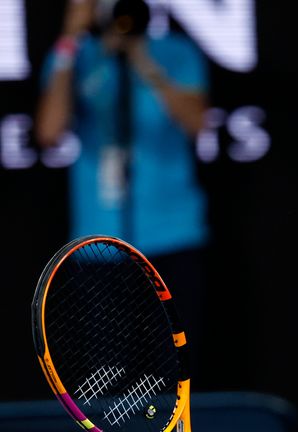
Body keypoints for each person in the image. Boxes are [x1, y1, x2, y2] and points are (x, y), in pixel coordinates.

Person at [35, 0, 210, 386]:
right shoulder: (77, 57)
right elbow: (48, 131)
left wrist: (142, 60)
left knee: (174, 370)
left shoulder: (175, 52)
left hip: (171, 235)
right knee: (107, 378)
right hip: (100, 244)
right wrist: (69, 39)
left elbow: (198, 123)